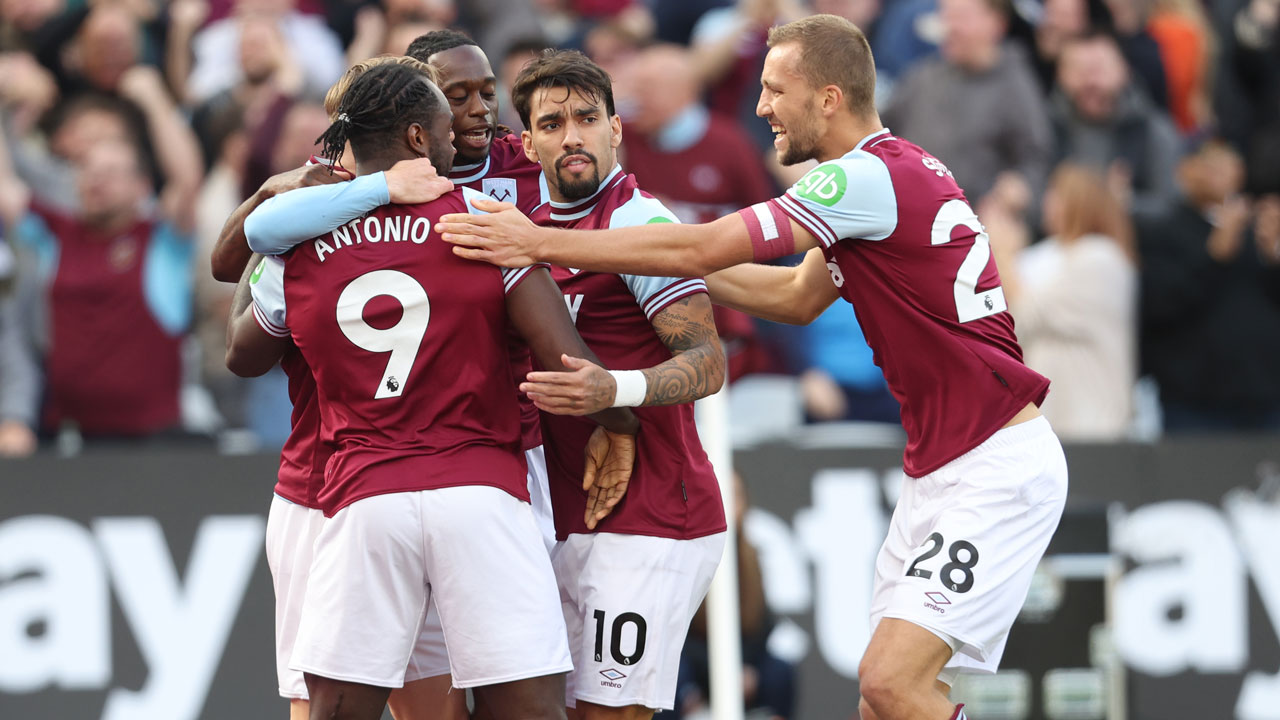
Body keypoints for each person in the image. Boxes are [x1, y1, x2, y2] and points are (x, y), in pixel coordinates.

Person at [436, 15, 1069, 720]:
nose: (762, 106)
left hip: (995, 463)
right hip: (944, 464)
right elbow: (795, 297)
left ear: (828, 98)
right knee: (884, 700)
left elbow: (703, 251)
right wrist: (646, 246)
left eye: (775, 89)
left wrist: (547, 240)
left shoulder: (858, 180)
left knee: (893, 685)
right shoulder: (893, 171)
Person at [246, 47, 730, 720]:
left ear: (619, 128)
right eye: (553, 124)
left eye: (588, 118)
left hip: (639, 513)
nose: (572, 136)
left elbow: (709, 357)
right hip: (522, 496)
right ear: (524, 144)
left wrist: (615, 403)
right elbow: (563, 351)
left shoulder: (630, 223)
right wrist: (610, 416)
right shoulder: (493, 224)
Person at [208, 56, 462, 720]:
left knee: (354, 700)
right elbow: (233, 299)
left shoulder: (312, 219)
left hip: (358, 486)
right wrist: (289, 208)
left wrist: (285, 215)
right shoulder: (444, 209)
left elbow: (241, 346)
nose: (465, 122)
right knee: (402, 699)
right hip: (376, 486)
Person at [990, 162, 1137, 441]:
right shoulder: (1048, 254)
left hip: (1091, 424)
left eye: (1056, 194)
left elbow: (1028, 312)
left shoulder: (1101, 258)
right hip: (1049, 422)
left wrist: (1004, 254)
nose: (1047, 203)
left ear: (1081, 203)